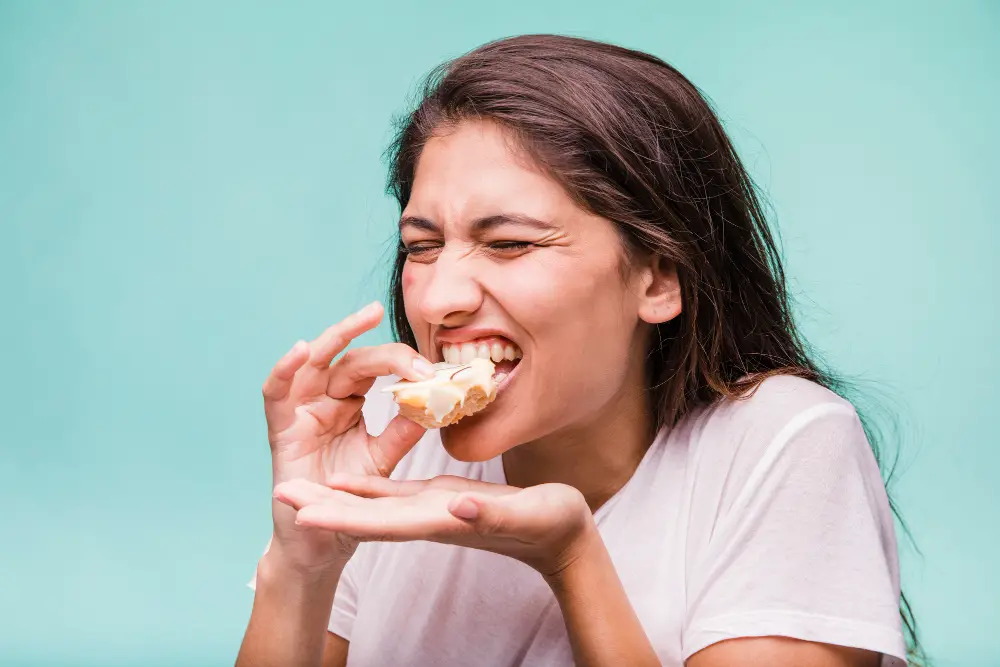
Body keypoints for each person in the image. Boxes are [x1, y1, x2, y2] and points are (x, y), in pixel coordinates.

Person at [236, 34, 912, 667]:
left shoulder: (784, 440)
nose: (440, 300)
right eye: (422, 245)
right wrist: (304, 559)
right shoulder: (395, 443)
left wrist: (572, 558)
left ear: (658, 276)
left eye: (509, 243)